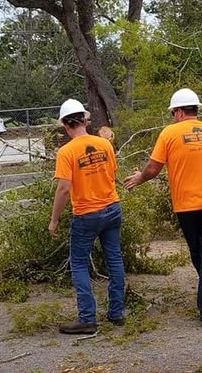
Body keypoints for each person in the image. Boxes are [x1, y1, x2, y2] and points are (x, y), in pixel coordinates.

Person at [123, 88, 202, 326]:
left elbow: (153, 168)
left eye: (173, 112)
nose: (173, 116)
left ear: (180, 112)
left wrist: (140, 178)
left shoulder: (169, 133)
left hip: (187, 204)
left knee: (199, 251)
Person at [49, 99, 125, 334]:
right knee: (114, 259)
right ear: (84, 120)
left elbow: (63, 188)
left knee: (79, 263)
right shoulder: (104, 145)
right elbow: (111, 173)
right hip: (112, 208)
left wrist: (54, 220)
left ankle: (87, 318)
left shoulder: (66, 152)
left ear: (65, 125)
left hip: (86, 213)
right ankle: (116, 313)